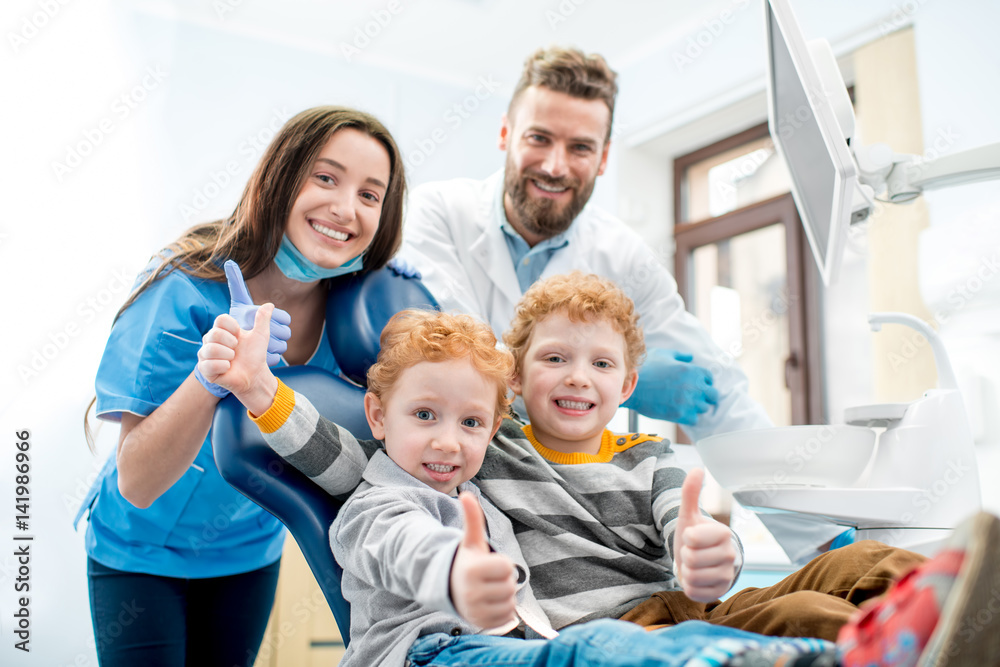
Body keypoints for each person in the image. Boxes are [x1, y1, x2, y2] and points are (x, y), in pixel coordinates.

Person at [395, 44, 840, 563]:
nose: (556, 166)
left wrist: (820, 536)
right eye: (539, 139)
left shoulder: (623, 255)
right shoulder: (437, 214)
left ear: (604, 158)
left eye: (581, 148)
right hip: (465, 496)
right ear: (505, 134)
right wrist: (614, 383)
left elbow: (719, 395)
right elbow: (463, 366)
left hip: (578, 511)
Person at [200, 306, 836, 667]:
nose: (449, 441)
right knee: (597, 648)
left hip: (505, 644)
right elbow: (401, 541)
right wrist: (257, 388)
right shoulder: (376, 499)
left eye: (471, 422)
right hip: (428, 655)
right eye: (424, 416)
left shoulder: (478, 482)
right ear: (376, 417)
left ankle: (794, 653)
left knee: (611, 644)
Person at [74, 105, 407, 666]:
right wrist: (211, 378)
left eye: (370, 195)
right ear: (279, 178)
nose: (345, 207)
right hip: (139, 551)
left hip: (247, 555)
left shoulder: (355, 321)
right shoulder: (183, 288)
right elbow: (136, 481)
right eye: (325, 177)